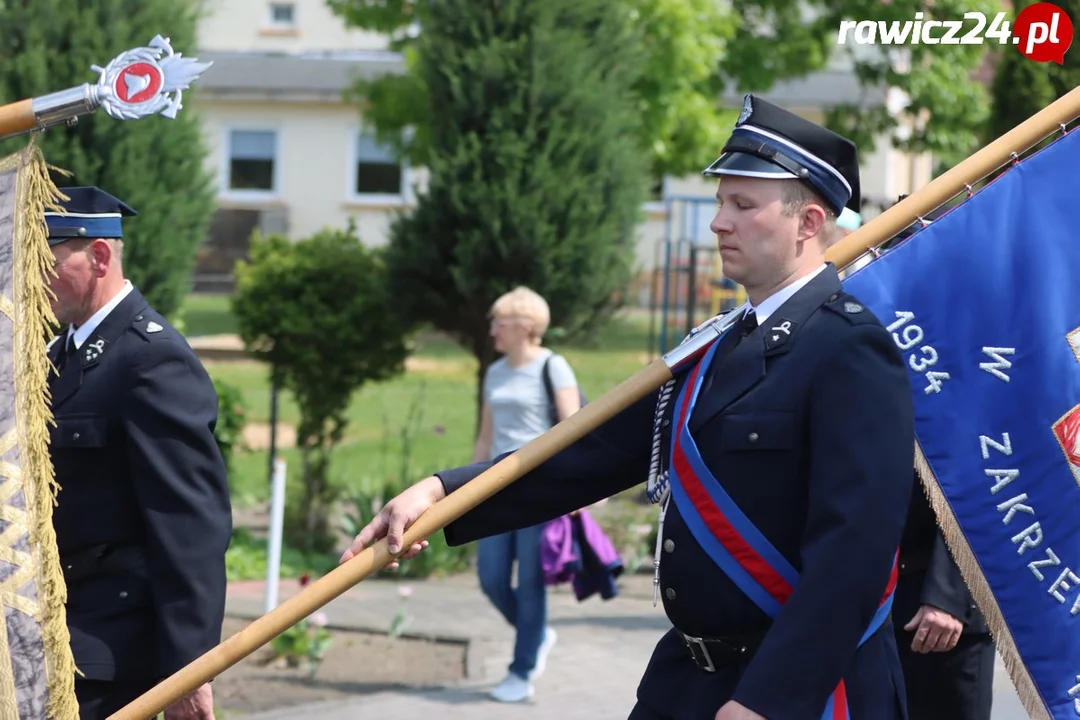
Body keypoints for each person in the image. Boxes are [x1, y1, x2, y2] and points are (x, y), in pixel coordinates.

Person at [342, 95, 916, 720]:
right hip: (690, 681)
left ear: (808, 223)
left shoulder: (849, 348)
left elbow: (853, 555)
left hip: (797, 691)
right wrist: (440, 492)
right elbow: (589, 454)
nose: (718, 222)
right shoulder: (717, 343)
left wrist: (766, 701)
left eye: (742, 206)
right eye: (721, 201)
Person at [44, 187, 232, 720]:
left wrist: (189, 669)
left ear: (99, 256)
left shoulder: (151, 361)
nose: (31, 277)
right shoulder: (62, 354)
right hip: (56, 622)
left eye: (46, 261)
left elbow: (189, 525)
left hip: (109, 640)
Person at [472, 286, 580, 702]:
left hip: (540, 490)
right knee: (492, 579)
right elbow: (485, 440)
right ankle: (537, 636)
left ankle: (521, 671)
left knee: (531, 583)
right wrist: (463, 490)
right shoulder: (494, 371)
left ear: (526, 326)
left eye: (500, 322)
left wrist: (575, 488)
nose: (493, 330)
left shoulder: (554, 366)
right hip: (495, 490)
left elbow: (574, 429)